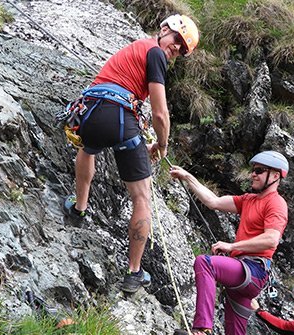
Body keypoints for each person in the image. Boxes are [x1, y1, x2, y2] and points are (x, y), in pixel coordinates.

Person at [62, 14, 200, 293]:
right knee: (141, 197)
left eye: (182, 50)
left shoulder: (135, 49)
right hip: (119, 117)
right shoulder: (155, 54)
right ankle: (133, 272)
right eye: (177, 41)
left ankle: (79, 208)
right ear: (164, 30)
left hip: (88, 113)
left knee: (88, 148)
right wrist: (161, 145)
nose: (176, 50)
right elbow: (160, 114)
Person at [170, 151, 290, 335]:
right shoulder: (248, 200)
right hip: (243, 274)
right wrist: (187, 177)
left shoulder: (276, 203)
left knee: (205, 263)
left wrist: (233, 247)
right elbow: (213, 201)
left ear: (275, 176)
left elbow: (271, 239)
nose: (253, 174)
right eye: (253, 170)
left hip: (254, 270)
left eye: (259, 170)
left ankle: (202, 329)